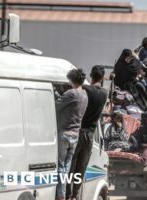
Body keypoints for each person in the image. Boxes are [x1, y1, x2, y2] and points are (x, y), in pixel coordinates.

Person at [66, 66, 107, 200]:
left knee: (70, 163)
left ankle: (67, 193)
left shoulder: (85, 89)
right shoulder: (104, 93)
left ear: (91, 76)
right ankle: (75, 194)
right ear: (102, 78)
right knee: (81, 167)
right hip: (90, 135)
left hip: (77, 132)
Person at [56, 69, 88, 200]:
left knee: (61, 166)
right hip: (75, 135)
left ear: (71, 80)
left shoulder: (71, 93)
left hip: (64, 133)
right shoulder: (85, 95)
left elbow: (56, 105)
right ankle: (64, 193)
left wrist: (56, 94)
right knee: (67, 166)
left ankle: (61, 195)